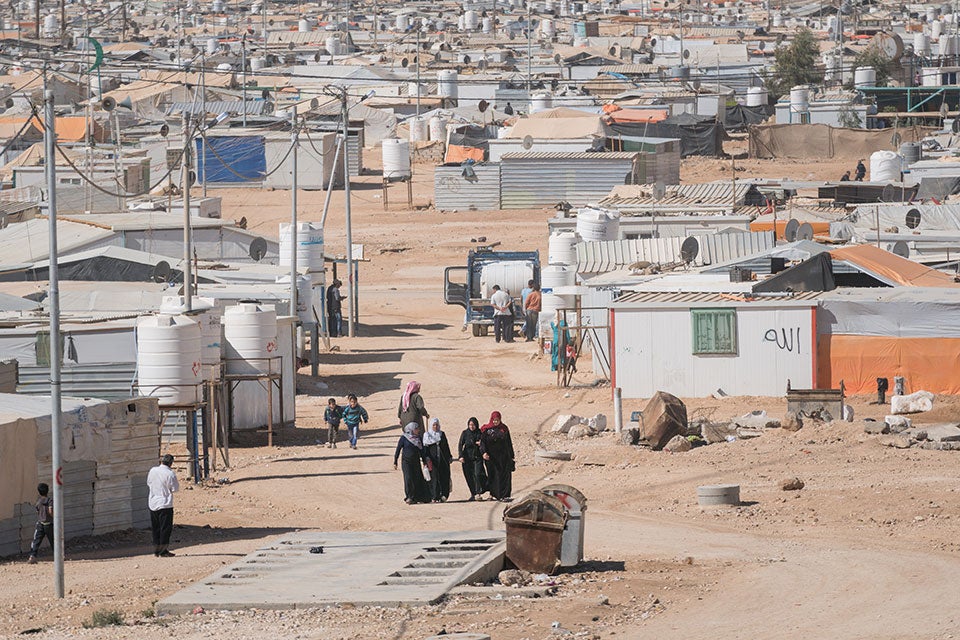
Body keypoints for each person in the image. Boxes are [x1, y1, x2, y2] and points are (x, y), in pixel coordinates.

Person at [147, 454, 180, 557]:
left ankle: (157, 550)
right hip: (165, 504)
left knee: (156, 528)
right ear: (171, 463)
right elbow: (175, 489)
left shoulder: (153, 470)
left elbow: (149, 483)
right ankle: (163, 551)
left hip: (153, 503)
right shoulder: (170, 474)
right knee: (165, 529)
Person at [480, 411, 515, 502]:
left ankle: (504, 495)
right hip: (491, 458)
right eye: (494, 420)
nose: (496, 422)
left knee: (504, 476)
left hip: (503, 457)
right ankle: (492, 494)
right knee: (492, 475)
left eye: (497, 420)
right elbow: (482, 443)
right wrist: (484, 453)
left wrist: (511, 455)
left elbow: (508, 442)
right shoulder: (486, 430)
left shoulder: (504, 429)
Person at [393, 423, 431, 504]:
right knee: (408, 478)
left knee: (417, 478)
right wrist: (395, 461)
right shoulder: (404, 438)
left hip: (416, 462)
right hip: (406, 462)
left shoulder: (418, 439)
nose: (418, 430)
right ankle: (409, 497)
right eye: (416, 429)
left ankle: (417, 497)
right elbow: (398, 449)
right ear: (411, 429)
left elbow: (422, 451)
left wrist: (424, 462)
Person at [458, 417, 488, 501]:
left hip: (477, 457)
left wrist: (480, 444)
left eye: (473, 425)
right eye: (470, 425)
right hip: (467, 458)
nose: (471, 427)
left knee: (477, 474)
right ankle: (473, 493)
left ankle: (478, 493)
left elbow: (484, 443)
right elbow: (460, 445)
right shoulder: (465, 433)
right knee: (469, 476)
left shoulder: (479, 433)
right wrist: (460, 456)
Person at [424, 418, 454, 502]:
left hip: (442, 460)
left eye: (437, 425)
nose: (435, 426)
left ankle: (444, 495)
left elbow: (446, 446)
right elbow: (425, 448)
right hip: (432, 461)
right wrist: (426, 458)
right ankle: (434, 496)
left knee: (444, 477)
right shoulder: (427, 435)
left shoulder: (442, 434)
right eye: (433, 425)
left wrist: (449, 456)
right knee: (434, 478)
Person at [27, 483, 53, 564]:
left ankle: (32, 556)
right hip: (49, 524)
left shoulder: (38, 502)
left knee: (36, 541)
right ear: (47, 491)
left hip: (40, 524)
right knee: (54, 541)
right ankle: (59, 556)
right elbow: (50, 511)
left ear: (39, 492)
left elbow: (37, 511)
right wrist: (54, 517)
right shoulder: (50, 500)